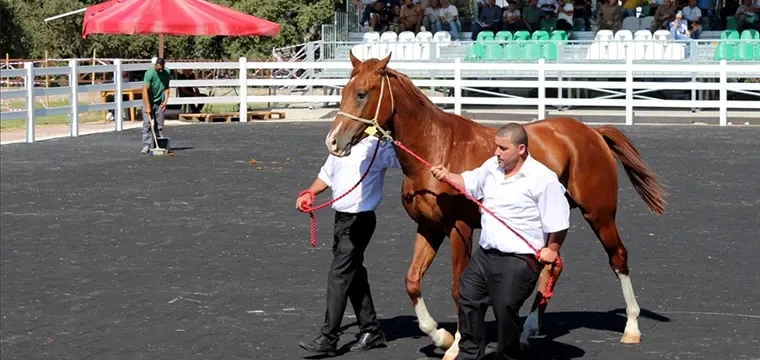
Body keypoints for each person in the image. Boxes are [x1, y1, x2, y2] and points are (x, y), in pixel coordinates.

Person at [429, 123, 570, 360]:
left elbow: (558, 222)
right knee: (468, 295)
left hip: (519, 259)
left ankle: (509, 355)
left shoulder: (543, 179)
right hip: (486, 256)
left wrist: (552, 248)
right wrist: (447, 176)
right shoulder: (491, 167)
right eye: (496, 146)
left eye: (503, 148)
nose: (497, 152)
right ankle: (469, 354)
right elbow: (469, 182)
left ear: (522, 149)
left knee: (505, 307)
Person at [296, 136, 401, 356]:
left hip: (360, 221)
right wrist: (310, 192)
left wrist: (393, 138)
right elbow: (326, 175)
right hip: (341, 220)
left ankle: (329, 337)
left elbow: (404, 159)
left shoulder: (377, 147)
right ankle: (371, 330)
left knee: (339, 275)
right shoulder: (340, 145)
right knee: (354, 274)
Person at [140, 58, 170, 154]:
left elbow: (166, 87)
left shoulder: (167, 72)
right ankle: (146, 145)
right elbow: (144, 90)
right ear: (155, 66)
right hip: (148, 100)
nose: (160, 70)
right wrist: (148, 106)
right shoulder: (150, 73)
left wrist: (165, 101)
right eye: (158, 69)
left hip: (159, 101)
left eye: (162, 68)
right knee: (147, 124)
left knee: (159, 124)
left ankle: (159, 144)